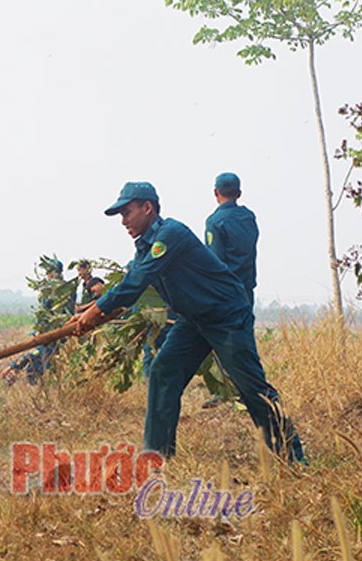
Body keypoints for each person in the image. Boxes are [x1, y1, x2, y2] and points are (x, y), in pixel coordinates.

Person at [69, 181, 305, 464]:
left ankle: (292, 459)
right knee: (163, 371)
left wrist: (93, 314)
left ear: (148, 207)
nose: (123, 221)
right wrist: (92, 313)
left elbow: (135, 283)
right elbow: (132, 291)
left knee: (250, 387)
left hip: (226, 316)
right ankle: (157, 456)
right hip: (193, 320)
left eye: (127, 212)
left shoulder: (170, 234)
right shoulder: (145, 247)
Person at [205, 172, 258, 308]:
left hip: (226, 291)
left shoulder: (215, 222)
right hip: (246, 287)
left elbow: (215, 261)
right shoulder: (248, 217)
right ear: (239, 193)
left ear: (216, 192)